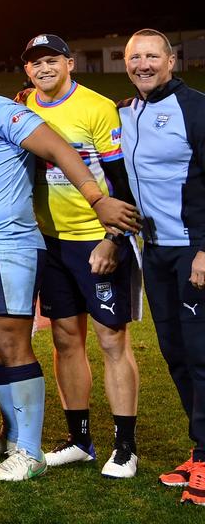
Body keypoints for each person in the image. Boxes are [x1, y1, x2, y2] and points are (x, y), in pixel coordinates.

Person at [0, 43, 139, 482]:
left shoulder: (9, 115)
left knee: (13, 346)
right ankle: (12, 435)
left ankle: (29, 453)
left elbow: (61, 150)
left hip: (8, 246)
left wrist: (98, 199)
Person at [17, 34, 140, 478]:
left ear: (70, 63)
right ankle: (80, 440)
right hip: (49, 242)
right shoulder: (21, 107)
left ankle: (125, 446)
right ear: (27, 70)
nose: (43, 68)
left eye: (52, 60)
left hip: (96, 239)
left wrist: (114, 239)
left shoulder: (97, 107)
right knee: (65, 339)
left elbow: (124, 182)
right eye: (35, 63)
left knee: (111, 339)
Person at [116, 29, 205, 503]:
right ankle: (201, 450)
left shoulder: (196, 107)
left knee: (201, 352)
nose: (143, 64)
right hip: (153, 251)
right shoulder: (126, 113)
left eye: (152, 56)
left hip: (194, 249)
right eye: (135, 57)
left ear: (171, 60)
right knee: (173, 350)